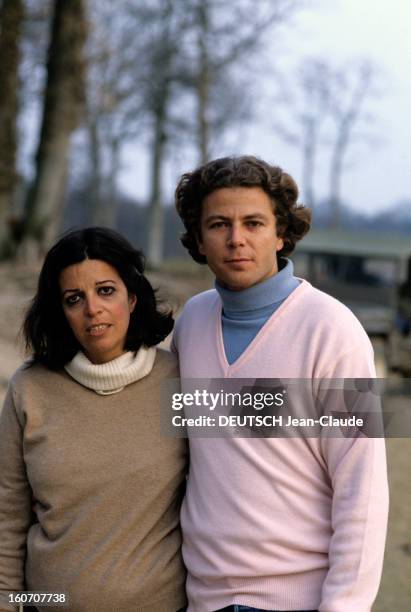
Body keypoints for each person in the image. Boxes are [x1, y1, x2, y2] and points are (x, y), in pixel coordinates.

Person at [172, 156, 389, 612]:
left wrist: (344, 606)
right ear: (198, 238)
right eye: (218, 224)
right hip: (202, 600)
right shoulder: (190, 322)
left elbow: (362, 488)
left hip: (298, 600)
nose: (236, 239)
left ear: (282, 232)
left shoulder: (332, 329)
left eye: (253, 222)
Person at [0, 227, 187, 612]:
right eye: (74, 299)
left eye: (106, 291)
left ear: (132, 298)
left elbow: (294, 416)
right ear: (60, 311)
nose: (92, 309)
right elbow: (7, 515)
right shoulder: (30, 388)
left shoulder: (178, 380)